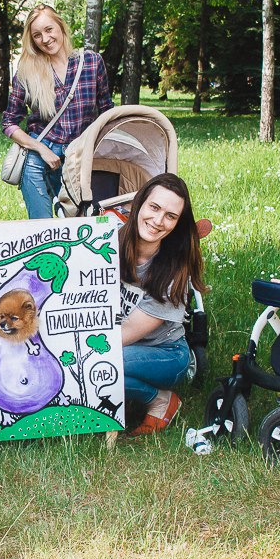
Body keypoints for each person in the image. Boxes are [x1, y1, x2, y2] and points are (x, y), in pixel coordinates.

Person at [1, 4, 113, 219]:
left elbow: (106, 111)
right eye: (37, 35)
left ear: (61, 27)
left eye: (49, 29)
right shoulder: (27, 72)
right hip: (41, 151)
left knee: (80, 220)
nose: (45, 39)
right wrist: (42, 149)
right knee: (43, 225)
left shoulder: (91, 62)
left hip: (80, 152)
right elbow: (9, 123)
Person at [119, 174, 206, 436]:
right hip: (121, 341)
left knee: (99, 362)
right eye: (154, 208)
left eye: (170, 216)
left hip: (165, 353)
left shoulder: (174, 272)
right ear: (139, 204)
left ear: (178, 223)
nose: (158, 221)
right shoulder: (107, 243)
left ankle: (160, 400)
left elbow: (124, 335)